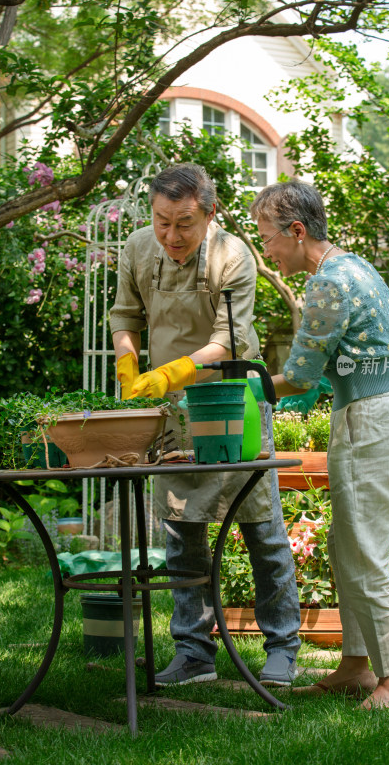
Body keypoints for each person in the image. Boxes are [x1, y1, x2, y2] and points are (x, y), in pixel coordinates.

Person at [109, 163, 301, 687]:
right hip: (170, 409)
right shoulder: (137, 248)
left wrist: (172, 371)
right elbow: (124, 315)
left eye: (184, 223)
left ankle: (282, 647)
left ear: (210, 214)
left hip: (230, 399)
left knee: (260, 526)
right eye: (162, 221)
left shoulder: (233, 256)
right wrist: (129, 364)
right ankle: (193, 652)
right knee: (180, 531)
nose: (171, 235)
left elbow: (229, 341)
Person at [250, 180, 389, 709]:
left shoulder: (327, 284)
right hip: (386, 417)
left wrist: (240, 385)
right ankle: (355, 667)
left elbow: (301, 376)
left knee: (365, 552)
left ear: (296, 231)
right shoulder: (356, 266)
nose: (267, 251)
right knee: (346, 546)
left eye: (268, 238)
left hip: (372, 423)